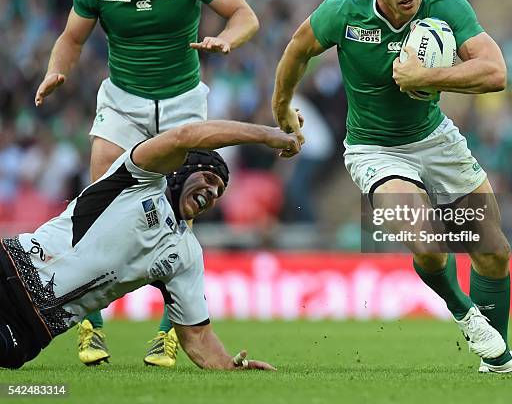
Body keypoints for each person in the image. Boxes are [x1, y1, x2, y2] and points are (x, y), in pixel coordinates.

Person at [272, 0, 512, 375]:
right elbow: (297, 49)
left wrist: (425, 77)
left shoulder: (446, 5)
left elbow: (495, 71)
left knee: (493, 251)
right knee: (426, 243)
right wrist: (282, 105)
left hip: (435, 140)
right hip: (374, 150)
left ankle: (496, 366)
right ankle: (475, 325)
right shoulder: (342, 14)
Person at [34, 0, 259, 367]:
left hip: (181, 104)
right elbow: (71, 38)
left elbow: (245, 16)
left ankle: (169, 335)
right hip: (122, 103)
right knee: (95, 203)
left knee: (181, 216)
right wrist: (57, 70)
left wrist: (225, 38)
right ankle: (90, 330)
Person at [0, 119, 301, 370]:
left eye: (219, 192)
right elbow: (186, 136)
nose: (212, 192)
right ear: (181, 171)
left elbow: (197, 337)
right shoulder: (136, 178)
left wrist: (230, 366)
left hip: (32, 332)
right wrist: (267, 135)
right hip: (9, 270)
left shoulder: (187, 255)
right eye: (208, 178)